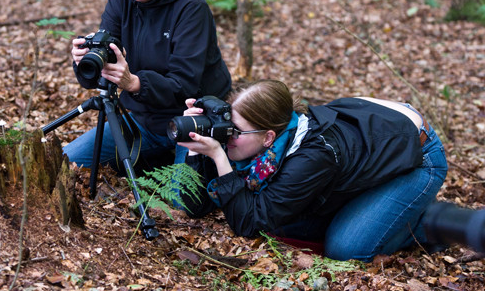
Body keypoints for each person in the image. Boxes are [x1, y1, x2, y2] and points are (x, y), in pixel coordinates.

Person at [178, 79, 448, 262]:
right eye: (227, 127)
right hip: (371, 144)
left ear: (268, 138)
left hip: (418, 152)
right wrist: (195, 146)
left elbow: (248, 223)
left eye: (236, 131)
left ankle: (435, 221)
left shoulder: (311, 158)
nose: (228, 137)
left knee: (347, 248)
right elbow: (195, 206)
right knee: (296, 224)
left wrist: (217, 157)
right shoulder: (252, 145)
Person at [64, 0, 232, 172]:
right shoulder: (121, 1)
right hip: (143, 122)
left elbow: (185, 85)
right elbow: (105, 62)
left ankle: (169, 161)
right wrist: (85, 61)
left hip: (193, 122)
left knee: (183, 204)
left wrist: (134, 83)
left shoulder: (191, 8)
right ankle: (153, 159)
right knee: (65, 161)